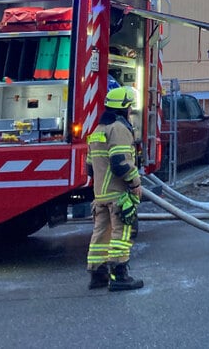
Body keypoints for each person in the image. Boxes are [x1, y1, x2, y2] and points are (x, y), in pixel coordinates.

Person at [86, 86, 144, 291]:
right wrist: (135, 182)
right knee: (122, 233)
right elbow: (120, 162)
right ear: (124, 108)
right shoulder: (118, 129)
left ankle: (98, 275)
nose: (130, 111)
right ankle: (120, 276)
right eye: (129, 107)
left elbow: (90, 167)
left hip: (100, 194)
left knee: (100, 235)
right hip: (118, 195)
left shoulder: (97, 131)